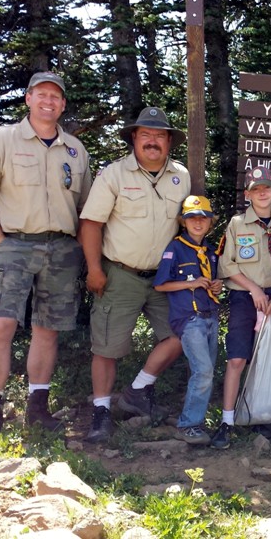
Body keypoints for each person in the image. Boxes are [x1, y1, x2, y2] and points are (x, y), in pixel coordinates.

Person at [0, 71, 92, 435]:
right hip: (14, 244)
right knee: (0, 325)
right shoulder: (2, 139)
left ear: (63, 105)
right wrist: (0, 244)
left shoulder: (75, 151)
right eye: (42, 95)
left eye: (56, 96)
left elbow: (86, 211)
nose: (49, 101)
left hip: (63, 248)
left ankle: (38, 409)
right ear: (28, 99)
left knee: (47, 330)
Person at [79, 107, 190, 443]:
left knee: (182, 334)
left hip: (164, 278)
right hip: (120, 274)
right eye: (145, 135)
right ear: (134, 139)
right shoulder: (113, 174)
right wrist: (95, 269)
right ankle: (100, 413)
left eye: (159, 135)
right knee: (107, 347)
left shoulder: (182, 176)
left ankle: (137, 391)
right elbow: (91, 223)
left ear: (169, 141)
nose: (152, 141)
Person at [212, 165, 271, 449]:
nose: (262, 193)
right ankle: (227, 420)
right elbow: (226, 264)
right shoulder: (236, 224)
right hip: (244, 298)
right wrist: (254, 289)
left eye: (267, 188)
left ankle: (262, 413)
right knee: (238, 358)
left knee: (267, 355)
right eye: (256, 189)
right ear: (248, 194)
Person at [153, 196, 223, 445]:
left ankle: (196, 420)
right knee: (203, 370)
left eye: (203, 218)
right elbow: (160, 285)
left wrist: (216, 285)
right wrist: (191, 283)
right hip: (189, 318)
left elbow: (213, 285)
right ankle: (188, 425)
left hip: (211, 317)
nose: (198, 222)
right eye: (192, 217)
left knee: (206, 372)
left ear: (210, 223)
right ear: (184, 222)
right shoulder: (175, 248)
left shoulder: (211, 251)